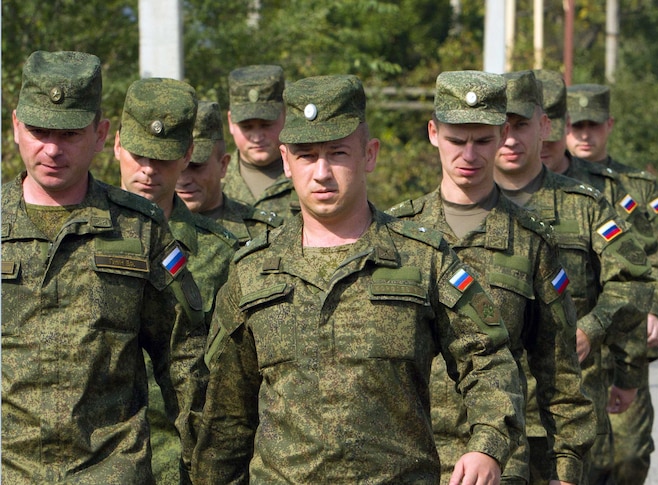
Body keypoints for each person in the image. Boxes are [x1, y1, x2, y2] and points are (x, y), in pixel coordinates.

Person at [193, 74, 525, 484]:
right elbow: (226, 421)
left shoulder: (423, 259)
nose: (321, 172)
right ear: (285, 160)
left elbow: (489, 359)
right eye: (306, 155)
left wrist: (486, 446)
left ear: (369, 154)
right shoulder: (252, 272)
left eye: (337, 153)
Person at [2, 50, 207, 483]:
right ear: (16, 126)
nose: (52, 149)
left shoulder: (139, 230)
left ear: (100, 133)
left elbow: (184, 361)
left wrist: (208, 469)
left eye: (71, 133)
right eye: (40, 131)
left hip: (112, 472)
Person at [387, 70, 596, 485]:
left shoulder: (530, 240)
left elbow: (560, 372)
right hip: (403, 459)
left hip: (500, 462)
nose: (469, 155)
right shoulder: (394, 234)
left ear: (502, 135)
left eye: (483, 140)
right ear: (433, 132)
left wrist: (565, 470)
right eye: (456, 140)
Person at [494, 72, 654, 485]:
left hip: (569, 413)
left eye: (521, 126)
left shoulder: (586, 206)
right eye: (499, 127)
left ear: (545, 127)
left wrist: (595, 332)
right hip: (483, 422)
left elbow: (633, 279)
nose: (509, 139)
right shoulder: (449, 215)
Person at [114, 77, 238, 484]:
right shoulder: (85, 241)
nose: (149, 171)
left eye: (164, 158)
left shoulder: (222, 251)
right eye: (139, 155)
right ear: (116, 144)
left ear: (187, 155)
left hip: (187, 463)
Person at [565, 83, 658, 485]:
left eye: (593, 125)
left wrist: (655, 308)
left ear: (609, 125)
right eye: (576, 125)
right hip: (574, 338)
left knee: (629, 456)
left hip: (625, 338)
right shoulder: (551, 184)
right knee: (580, 462)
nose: (585, 134)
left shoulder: (639, 188)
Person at [177, 100, 283, 244]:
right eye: (177, 166)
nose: (184, 180)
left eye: (196, 166)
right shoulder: (148, 227)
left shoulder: (265, 233)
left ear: (223, 165)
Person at [223, 64, 299, 217]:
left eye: (266, 125)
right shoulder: (212, 183)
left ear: (284, 116)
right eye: (247, 127)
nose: (257, 137)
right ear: (231, 122)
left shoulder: (308, 178)